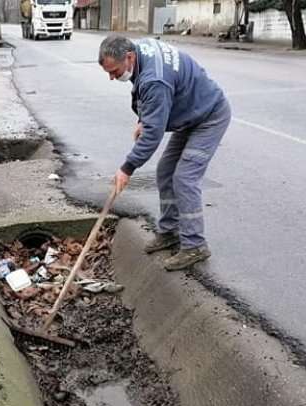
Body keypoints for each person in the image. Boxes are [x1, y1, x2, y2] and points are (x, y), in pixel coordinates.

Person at [99, 35, 231, 271]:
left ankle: (195, 245)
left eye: (115, 71)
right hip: (189, 113)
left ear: (129, 57)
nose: (111, 77)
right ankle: (170, 232)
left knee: (185, 178)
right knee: (165, 171)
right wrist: (143, 118)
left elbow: (152, 135)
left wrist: (127, 168)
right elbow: (147, 99)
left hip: (209, 116)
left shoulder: (154, 80)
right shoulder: (140, 51)